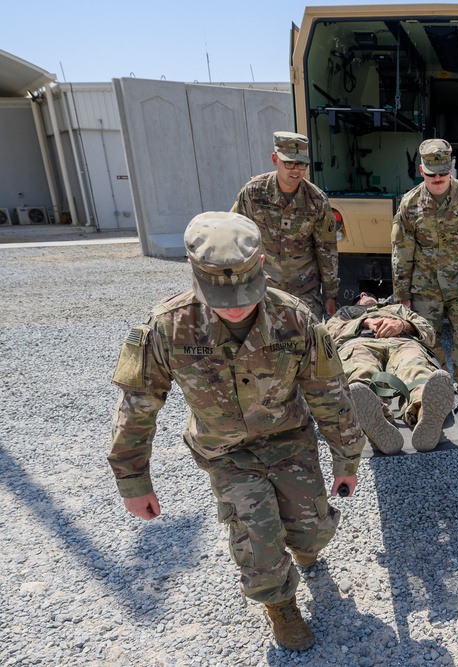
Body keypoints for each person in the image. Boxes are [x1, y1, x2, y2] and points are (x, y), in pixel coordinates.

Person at [107, 211, 364, 652]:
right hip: (225, 453)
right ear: (193, 273)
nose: (234, 305)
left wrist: (347, 458)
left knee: (314, 533)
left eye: (243, 291)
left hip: (289, 441)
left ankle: (303, 547)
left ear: (261, 263)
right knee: (258, 536)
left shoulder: (295, 319)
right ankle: (279, 603)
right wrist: (133, 480)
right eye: (219, 295)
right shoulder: (167, 327)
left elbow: (329, 393)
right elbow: (138, 406)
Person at [391, 138, 458, 413]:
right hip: (423, 285)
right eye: (431, 173)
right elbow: (401, 252)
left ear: (451, 170)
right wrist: (402, 297)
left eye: (443, 173)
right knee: (427, 341)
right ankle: (437, 391)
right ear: (421, 170)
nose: (438, 179)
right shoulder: (410, 204)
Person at [327, 292, 455, 454]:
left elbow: (429, 332)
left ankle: (423, 412)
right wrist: (365, 322)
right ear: (359, 299)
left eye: (369, 294)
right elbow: (328, 332)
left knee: (415, 365)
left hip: (403, 341)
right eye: (361, 295)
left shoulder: (399, 309)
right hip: (360, 342)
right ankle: (376, 418)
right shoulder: (348, 312)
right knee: (360, 372)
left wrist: (402, 325)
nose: (365, 295)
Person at [232, 131, 340, 319]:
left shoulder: (316, 200)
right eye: (288, 162)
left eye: (301, 164)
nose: (295, 170)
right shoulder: (253, 193)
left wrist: (330, 294)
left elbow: (326, 249)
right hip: (264, 286)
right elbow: (236, 238)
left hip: (304, 289)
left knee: (307, 341)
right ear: (275, 159)